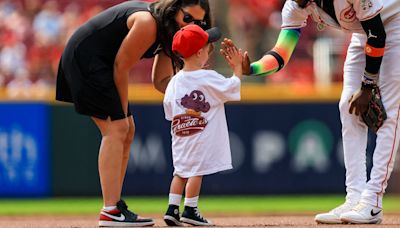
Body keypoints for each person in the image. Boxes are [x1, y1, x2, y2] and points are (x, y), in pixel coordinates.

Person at [221, 0, 400, 225]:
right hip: (363, 33)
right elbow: (280, 54)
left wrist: (368, 86)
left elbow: (378, 35)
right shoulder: (295, 6)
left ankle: (373, 200)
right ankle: (354, 198)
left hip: (393, 27)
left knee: (389, 114)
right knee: (347, 106)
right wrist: (252, 68)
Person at [55, 0, 212, 227]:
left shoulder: (170, 33)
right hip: (86, 58)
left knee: (127, 130)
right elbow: (121, 66)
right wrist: (121, 113)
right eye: (188, 18)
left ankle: (115, 206)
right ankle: (110, 211)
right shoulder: (148, 22)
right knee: (118, 129)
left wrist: (198, 91)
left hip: (100, 64)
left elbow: (161, 82)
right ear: (173, 9)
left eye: (199, 22)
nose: (192, 24)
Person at [163, 24, 243, 226]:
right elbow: (231, 89)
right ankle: (190, 209)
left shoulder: (174, 81)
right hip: (200, 136)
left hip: (180, 135)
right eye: (208, 48)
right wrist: (237, 68)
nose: (209, 51)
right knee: (196, 172)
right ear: (199, 52)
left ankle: (172, 208)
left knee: (180, 172)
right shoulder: (208, 77)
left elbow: (169, 111)